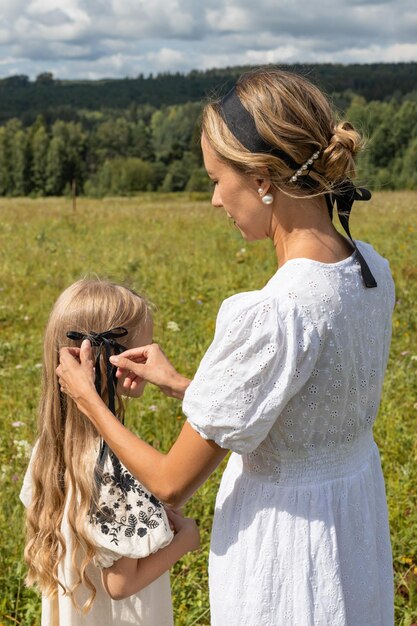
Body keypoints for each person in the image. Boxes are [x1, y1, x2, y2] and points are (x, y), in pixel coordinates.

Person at [57, 68, 395, 625]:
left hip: (289, 547)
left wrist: (88, 401)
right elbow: (304, 406)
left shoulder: (272, 313)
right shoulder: (368, 272)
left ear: (263, 178)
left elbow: (170, 479)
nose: (216, 199)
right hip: (352, 525)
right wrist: (189, 386)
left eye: (219, 179)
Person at [21, 278, 200, 626]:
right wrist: (187, 538)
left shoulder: (50, 448)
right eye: (145, 348)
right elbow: (120, 583)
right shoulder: (116, 466)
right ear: (116, 361)